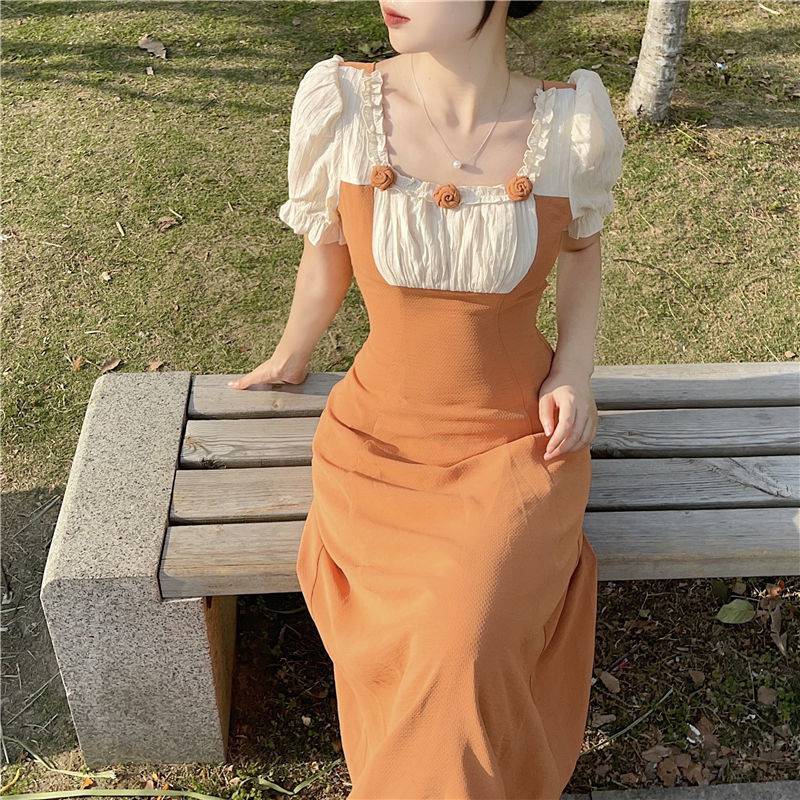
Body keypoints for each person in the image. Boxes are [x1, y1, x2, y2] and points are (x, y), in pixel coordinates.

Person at [229, 1, 625, 796]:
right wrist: (290, 356)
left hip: (515, 446)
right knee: (434, 645)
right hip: (378, 446)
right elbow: (326, 254)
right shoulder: (344, 104)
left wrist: (573, 372)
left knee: (466, 636)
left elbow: (582, 253)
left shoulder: (567, 124)